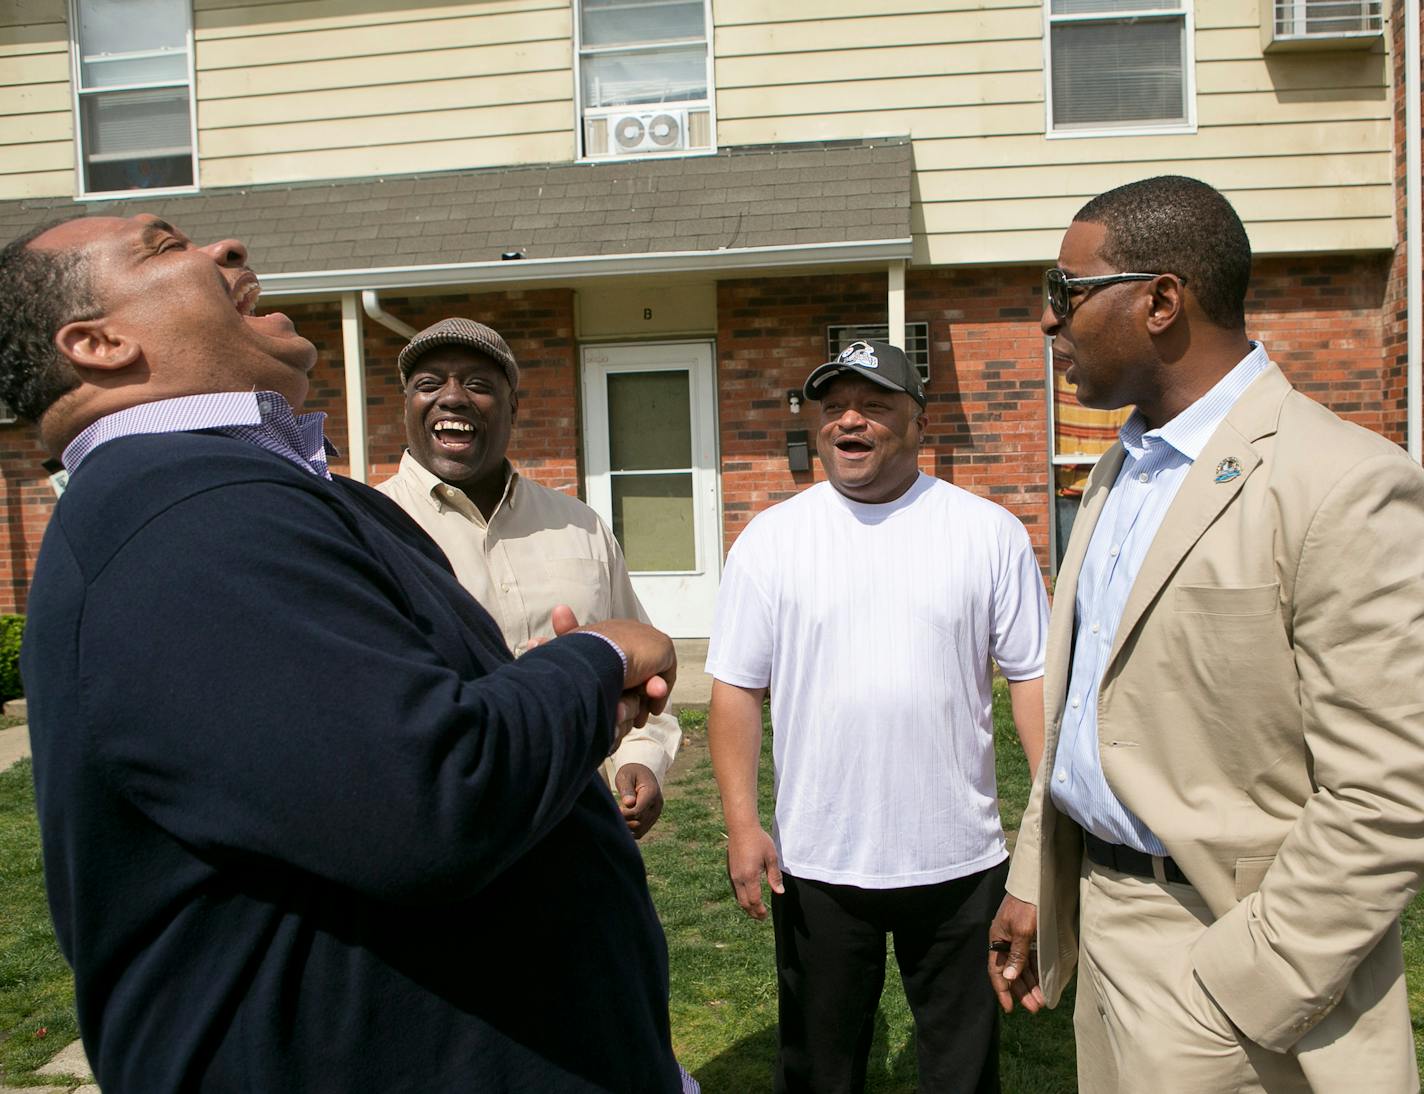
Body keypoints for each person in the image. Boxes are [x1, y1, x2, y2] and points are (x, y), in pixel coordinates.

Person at [0, 214, 686, 1093]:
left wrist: (551, 706)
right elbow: (432, 798)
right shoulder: (183, 516)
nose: (228, 248)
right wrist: (591, 660)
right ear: (98, 343)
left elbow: (377, 751)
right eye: (166, 247)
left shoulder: (236, 495)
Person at [989, 176, 1424, 1092]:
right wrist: (1038, 879)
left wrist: (1247, 983)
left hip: (1222, 956)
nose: (1047, 322)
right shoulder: (1121, 467)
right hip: (1101, 924)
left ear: (1159, 301)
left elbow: (1388, 791)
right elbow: (1084, 708)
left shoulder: (1343, 484)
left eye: (1065, 294)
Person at [705, 339, 1048, 1093]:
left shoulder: (985, 531)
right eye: (833, 408)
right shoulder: (771, 540)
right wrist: (741, 823)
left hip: (959, 860)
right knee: (819, 1067)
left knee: (962, 1069)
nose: (848, 421)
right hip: (818, 863)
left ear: (919, 422)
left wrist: (1048, 822)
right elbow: (735, 689)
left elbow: (1032, 677)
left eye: (874, 406)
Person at [377, 317, 680, 838]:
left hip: (575, 825)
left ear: (513, 406)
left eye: (477, 384)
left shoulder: (578, 525)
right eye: (429, 384)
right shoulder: (368, 529)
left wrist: (641, 759)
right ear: (407, 405)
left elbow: (641, 670)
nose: (452, 397)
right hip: (439, 829)